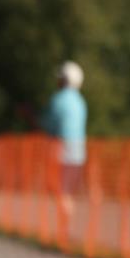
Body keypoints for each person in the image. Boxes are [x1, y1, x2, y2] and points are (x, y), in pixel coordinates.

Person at [41, 60, 87, 217]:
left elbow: (49, 125)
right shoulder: (81, 102)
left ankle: (64, 220)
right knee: (67, 191)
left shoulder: (58, 99)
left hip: (60, 149)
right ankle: (65, 219)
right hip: (79, 152)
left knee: (58, 188)